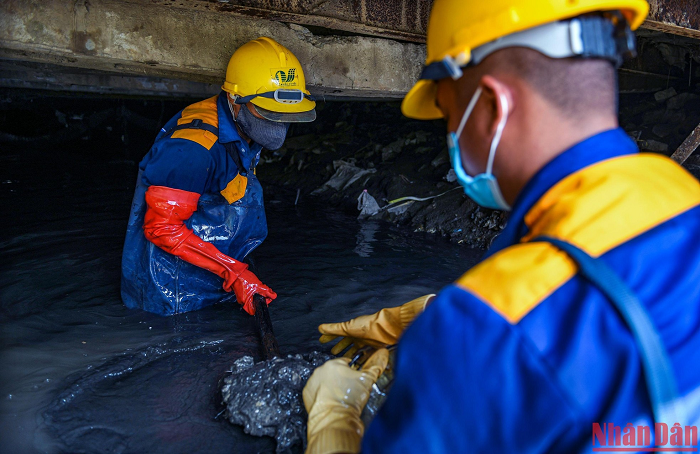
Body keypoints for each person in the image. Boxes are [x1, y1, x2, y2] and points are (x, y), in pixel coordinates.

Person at [302, 0, 700, 452]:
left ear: (492, 106)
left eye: (450, 117)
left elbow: (527, 328)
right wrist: (433, 312)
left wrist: (335, 414)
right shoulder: (682, 197)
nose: (451, 135)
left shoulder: (482, 334)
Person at [121, 37, 316, 316]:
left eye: (284, 115)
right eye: (269, 114)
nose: (277, 125)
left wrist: (233, 269)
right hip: (173, 289)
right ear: (235, 101)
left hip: (216, 268)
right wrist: (234, 273)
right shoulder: (192, 149)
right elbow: (161, 228)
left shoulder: (242, 124)